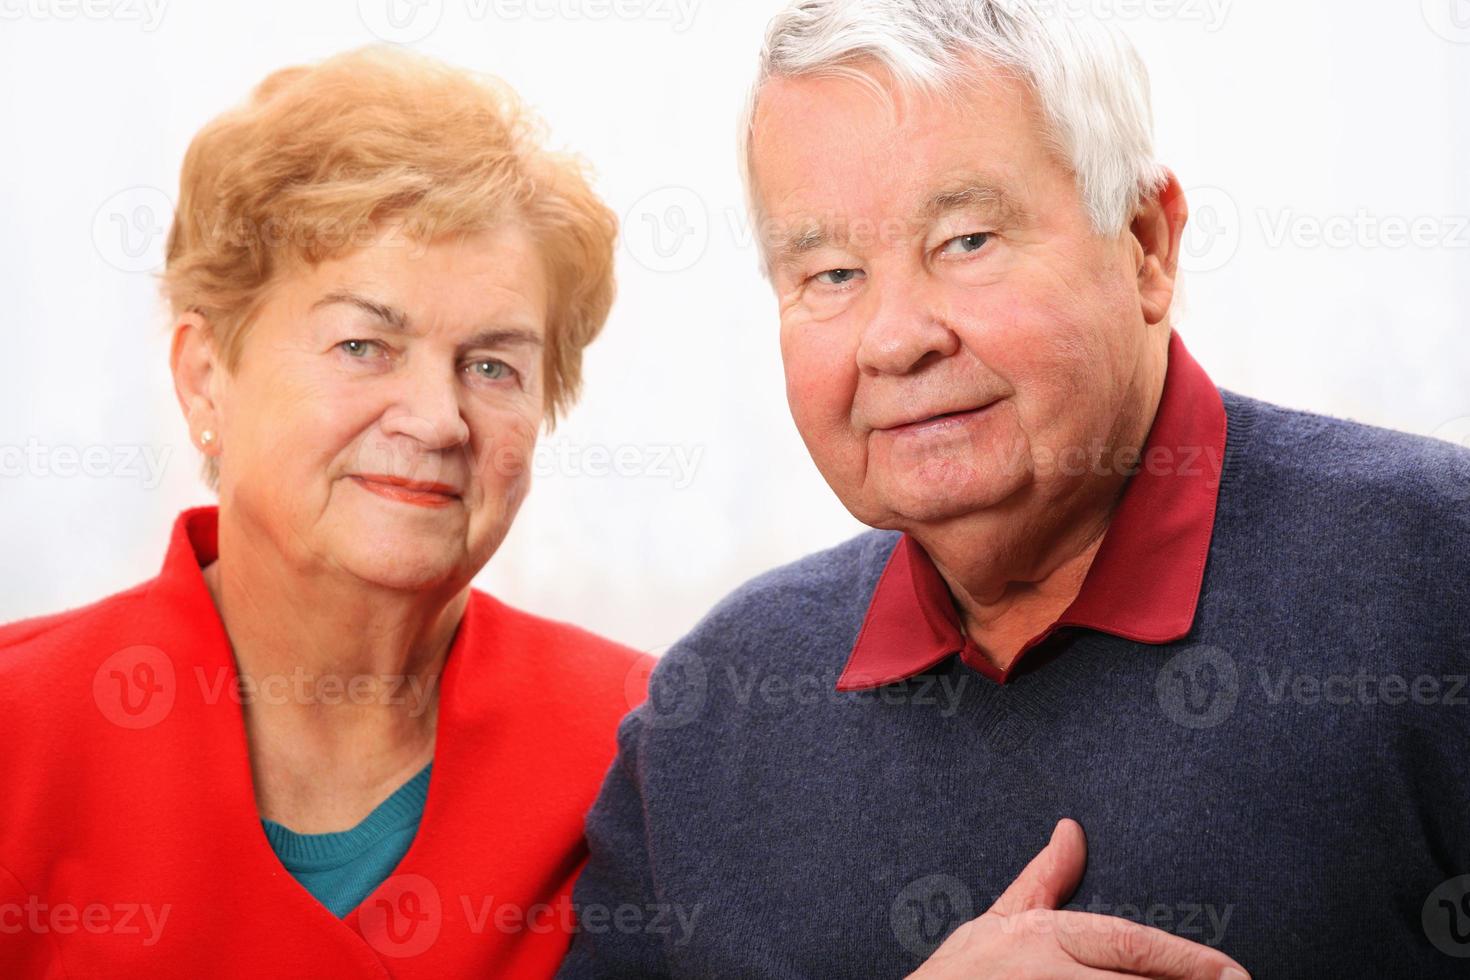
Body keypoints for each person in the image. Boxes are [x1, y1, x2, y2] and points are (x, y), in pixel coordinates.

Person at [560, 1, 1470, 977]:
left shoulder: (1435, 577)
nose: (896, 336)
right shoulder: (711, 717)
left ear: (1146, 244)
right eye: (830, 272)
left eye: (966, 241)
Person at [0, 46, 651, 978]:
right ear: (204, 378)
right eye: (363, 344)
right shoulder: (16, 736)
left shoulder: (647, 745)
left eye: (493, 365)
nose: (437, 418)